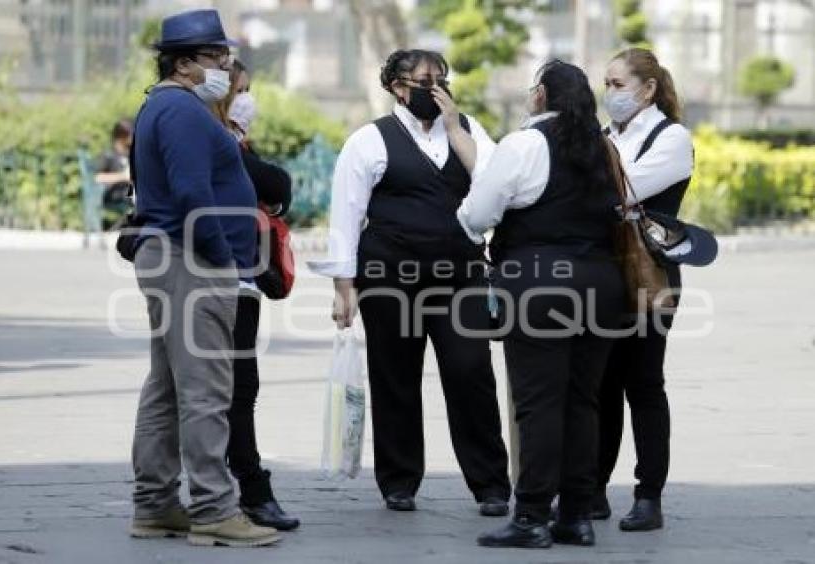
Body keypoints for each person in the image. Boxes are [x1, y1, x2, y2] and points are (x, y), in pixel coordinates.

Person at [309, 49, 511, 516]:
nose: (435, 87)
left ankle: (491, 484)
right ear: (398, 86)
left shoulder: (467, 128)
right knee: (394, 377)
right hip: (388, 277)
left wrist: (459, 130)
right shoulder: (368, 140)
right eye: (424, 79)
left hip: (459, 276)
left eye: (442, 77)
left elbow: (494, 184)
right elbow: (347, 214)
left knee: (470, 374)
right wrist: (345, 288)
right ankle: (399, 482)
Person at [127, 9, 280, 548]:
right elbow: (193, 193)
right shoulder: (185, 113)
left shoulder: (160, 106)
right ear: (187, 63)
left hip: (169, 256)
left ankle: (155, 505)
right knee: (206, 390)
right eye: (217, 57)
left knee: (166, 388)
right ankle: (215, 507)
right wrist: (222, 256)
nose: (225, 66)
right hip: (192, 263)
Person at [459, 60, 626, 549]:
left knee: (539, 404)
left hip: (538, 281)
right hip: (601, 282)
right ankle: (576, 515)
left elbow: (477, 214)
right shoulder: (603, 148)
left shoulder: (525, 144)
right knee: (583, 401)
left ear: (540, 96)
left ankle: (531, 515)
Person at [594, 47, 694, 532]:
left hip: (647, 276)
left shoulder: (671, 137)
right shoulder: (603, 136)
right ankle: (592, 491)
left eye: (617, 84)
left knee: (644, 384)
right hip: (604, 277)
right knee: (603, 385)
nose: (608, 93)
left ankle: (648, 495)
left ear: (647, 88)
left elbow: (622, 190)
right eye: (606, 85)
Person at [211, 60, 299, 531]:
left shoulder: (234, 141)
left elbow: (274, 187)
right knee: (232, 388)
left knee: (238, 387)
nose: (248, 99)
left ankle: (228, 486)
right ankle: (247, 489)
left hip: (242, 279)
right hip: (216, 278)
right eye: (241, 91)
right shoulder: (216, 139)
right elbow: (273, 184)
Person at [95, 119, 133, 227]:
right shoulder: (108, 154)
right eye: (131, 134)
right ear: (121, 136)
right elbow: (98, 177)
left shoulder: (130, 152)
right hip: (115, 194)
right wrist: (123, 176)